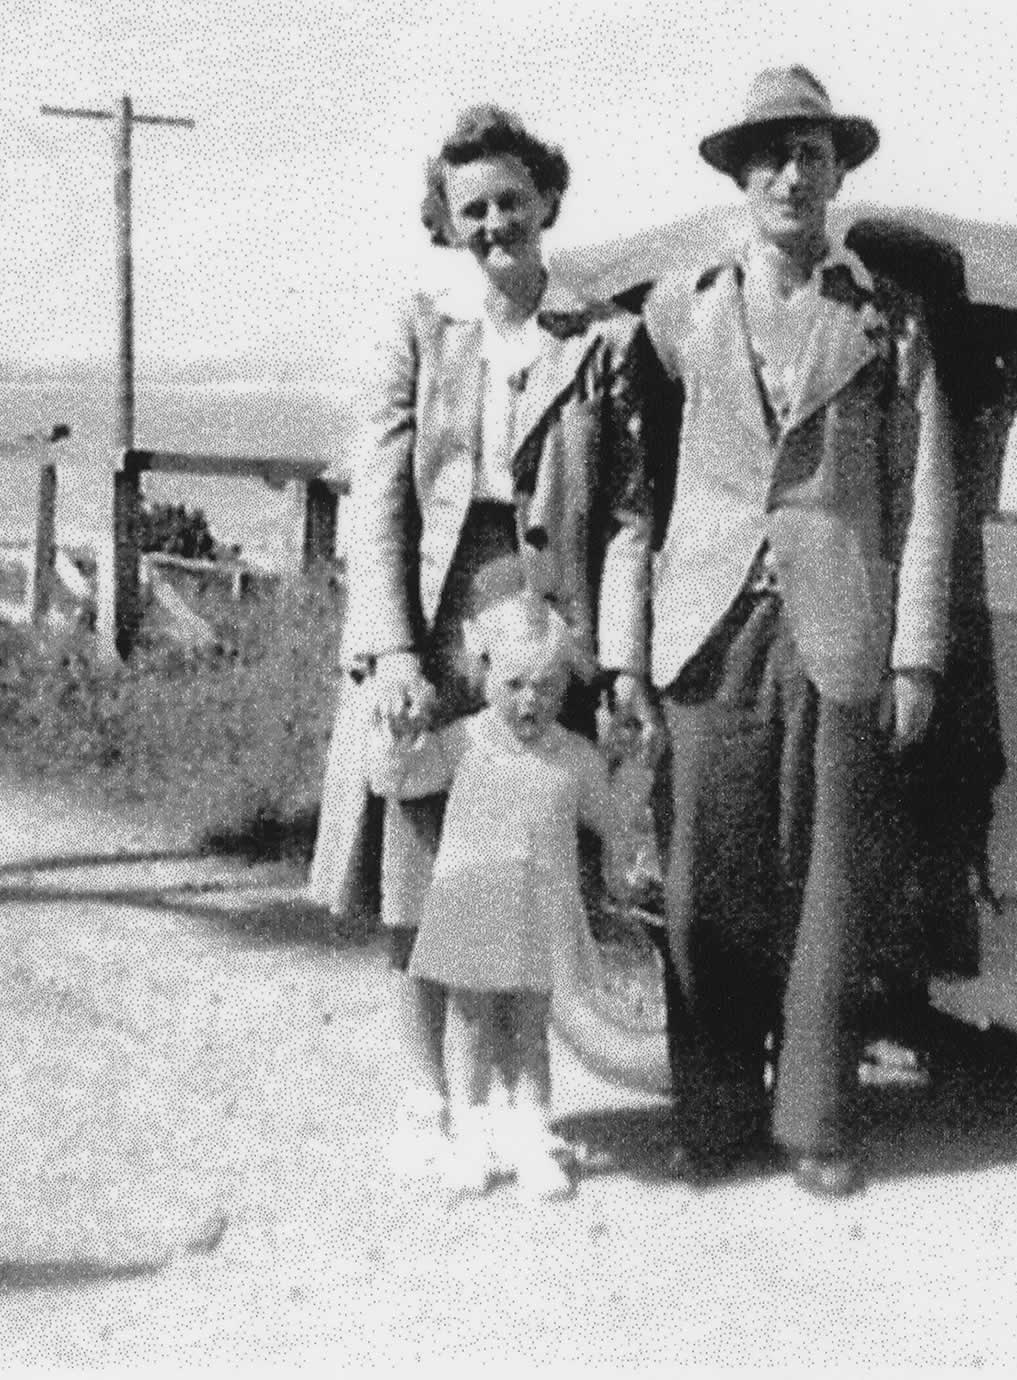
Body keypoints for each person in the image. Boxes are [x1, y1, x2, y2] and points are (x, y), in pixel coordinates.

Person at [308, 104, 655, 1182]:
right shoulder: (421, 328)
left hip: (542, 634)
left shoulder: (602, 339)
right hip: (430, 623)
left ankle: (517, 1108)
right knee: (419, 868)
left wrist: (621, 656)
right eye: (473, 209)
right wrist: (392, 651)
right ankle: (427, 1098)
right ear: (448, 225)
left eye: (513, 200)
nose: (497, 223)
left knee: (520, 870)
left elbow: (632, 517)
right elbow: (378, 501)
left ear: (546, 200)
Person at [641, 65, 954, 1197]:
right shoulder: (682, 309)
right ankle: (713, 1118)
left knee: (831, 887)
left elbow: (923, 492)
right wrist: (634, 646)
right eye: (766, 153)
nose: (788, 172)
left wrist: (915, 648)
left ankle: (815, 1126)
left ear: (836, 171)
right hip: (710, 626)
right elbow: (641, 483)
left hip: (838, 630)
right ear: (738, 173)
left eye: (809, 152)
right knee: (705, 879)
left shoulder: (884, 317)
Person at [368, 593, 628, 1198]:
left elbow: (612, 818)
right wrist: (394, 737)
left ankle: (531, 1136)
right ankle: (470, 1134)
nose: (530, 701)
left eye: (547, 686)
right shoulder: (464, 741)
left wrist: (632, 768)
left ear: (566, 686)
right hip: (471, 902)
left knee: (531, 1026)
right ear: (484, 672)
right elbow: (396, 781)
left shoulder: (576, 759)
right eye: (513, 683)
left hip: (539, 908)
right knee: (469, 1020)